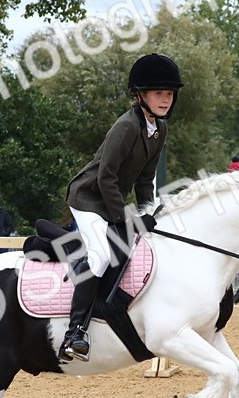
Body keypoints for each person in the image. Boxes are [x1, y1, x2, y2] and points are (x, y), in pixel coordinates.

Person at [60, 52, 183, 363]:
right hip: (88, 198)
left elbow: (145, 179)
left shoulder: (160, 129)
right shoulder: (126, 126)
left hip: (110, 198)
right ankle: (74, 333)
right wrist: (125, 219)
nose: (165, 99)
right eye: (158, 93)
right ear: (140, 95)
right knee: (101, 255)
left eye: (169, 93)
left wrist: (148, 213)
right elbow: (106, 177)